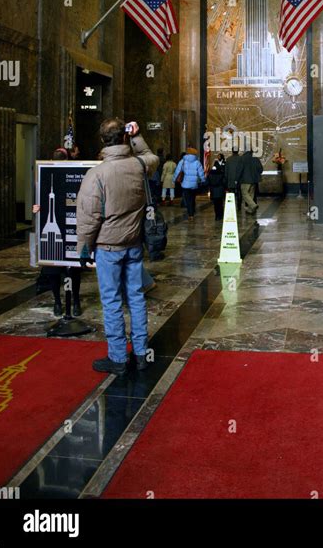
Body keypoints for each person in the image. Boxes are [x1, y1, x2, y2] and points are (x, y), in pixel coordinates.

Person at [76, 119, 158, 375]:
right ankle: (142, 353)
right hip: (134, 243)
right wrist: (137, 136)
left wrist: (84, 250)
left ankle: (119, 358)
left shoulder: (97, 174)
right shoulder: (138, 165)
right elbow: (150, 155)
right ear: (124, 137)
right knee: (136, 297)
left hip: (108, 247)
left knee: (111, 301)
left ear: (102, 141)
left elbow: (89, 218)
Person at [33, 147, 82, 316]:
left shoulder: (76, 176)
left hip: (70, 230)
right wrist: (36, 209)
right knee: (53, 271)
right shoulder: (44, 176)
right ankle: (58, 302)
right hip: (52, 231)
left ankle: (75, 301)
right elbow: (38, 200)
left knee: (73, 270)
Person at [172, 146, 205, 221]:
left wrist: (174, 179)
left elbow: (177, 171)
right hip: (194, 185)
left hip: (185, 184)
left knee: (188, 199)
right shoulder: (197, 162)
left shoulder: (183, 161)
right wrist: (203, 180)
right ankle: (192, 212)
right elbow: (201, 173)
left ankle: (190, 214)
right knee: (192, 199)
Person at [236, 148, 263, 214]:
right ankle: (251, 209)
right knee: (251, 194)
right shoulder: (256, 158)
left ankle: (253, 205)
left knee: (244, 194)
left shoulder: (242, 158)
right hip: (254, 180)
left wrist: (236, 179)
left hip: (245, 180)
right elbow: (261, 169)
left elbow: (239, 170)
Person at [208, 153, 226, 221]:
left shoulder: (224, 163)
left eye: (219, 156)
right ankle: (220, 215)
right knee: (219, 203)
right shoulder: (216, 163)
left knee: (216, 204)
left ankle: (217, 215)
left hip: (214, 190)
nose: (218, 157)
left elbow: (208, 181)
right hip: (220, 189)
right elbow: (224, 181)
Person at [225, 145, 242, 209]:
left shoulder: (228, 159)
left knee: (231, 192)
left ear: (232, 151)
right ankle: (239, 206)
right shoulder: (241, 159)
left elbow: (226, 170)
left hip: (230, 179)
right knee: (239, 192)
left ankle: (232, 205)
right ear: (238, 151)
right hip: (239, 179)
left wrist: (226, 179)